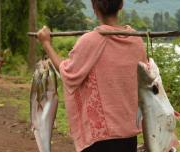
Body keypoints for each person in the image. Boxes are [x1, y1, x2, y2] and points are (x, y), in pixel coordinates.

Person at [37, 0, 148, 152]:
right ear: (121, 5)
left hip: (98, 140)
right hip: (128, 137)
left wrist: (46, 44)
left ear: (94, 7)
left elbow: (67, 72)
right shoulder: (137, 41)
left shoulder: (90, 41)